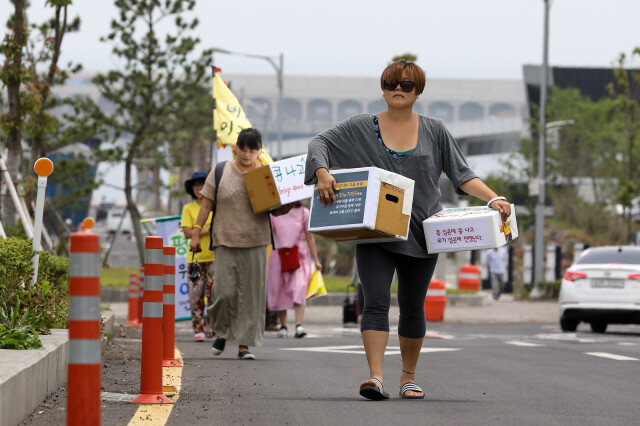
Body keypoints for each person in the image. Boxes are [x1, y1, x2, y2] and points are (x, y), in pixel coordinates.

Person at [304, 59, 511, 400]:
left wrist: (493, 198)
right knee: (375, 301)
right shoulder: (360, 127)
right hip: (376, 232)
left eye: (406, 85)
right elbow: (318, 145)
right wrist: (323, 171)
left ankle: (408, 376)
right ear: (382, 87)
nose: (397, 90)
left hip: (422, 232)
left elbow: (462, 173)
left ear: (418, 91)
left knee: (413, 306)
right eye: (390, 83)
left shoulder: (435, 130)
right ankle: (375, 377)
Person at [189, 128, 290, 360]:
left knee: (250, 295)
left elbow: (275, 209)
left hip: (256, 241)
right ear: (236, 148)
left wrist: (288, 204)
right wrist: (196, 233)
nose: (247, 154)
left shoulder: (265, 174)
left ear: (259, 151)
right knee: (222, 292)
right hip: (225, 240)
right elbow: (206, 205)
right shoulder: (221, 170)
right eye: (243, 149)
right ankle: (222, 332)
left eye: (252, 150)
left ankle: (244, 345)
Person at [267, 201, 322, 339]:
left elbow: (309, 236)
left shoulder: (304, 212)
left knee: (299, 287)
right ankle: (283, 325)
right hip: (278, 255)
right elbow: (268, 235)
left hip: (298, 255)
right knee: (279, 289)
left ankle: (298, 325)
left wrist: (316, 259)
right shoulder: (273, 213)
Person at [181, 171, 215, 342]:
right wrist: (207, 229)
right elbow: (187, 233)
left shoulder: (217, 205)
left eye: (202, 184)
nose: (198, 188)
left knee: (215, 292)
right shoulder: (188, 208)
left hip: (215, 256)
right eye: (195, 185)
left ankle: (211, 324)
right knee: (196, 295)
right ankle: (198, 328)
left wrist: (198, 229)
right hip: (195, 259)